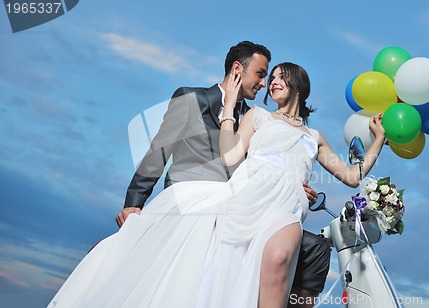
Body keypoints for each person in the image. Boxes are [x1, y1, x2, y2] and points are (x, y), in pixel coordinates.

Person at [47, 61, 385, 308]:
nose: (271, 83)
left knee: (279, 258)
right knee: (226, 269)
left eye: (279, 77)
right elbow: (229, 156)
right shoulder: (258, 117)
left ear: (298, 83)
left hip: (286, 204)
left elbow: (353, 175)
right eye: (270, 79)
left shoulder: (314, 136)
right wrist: (227, 111)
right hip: (247, 195)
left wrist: (378, 140)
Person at [115, 40, 330, 306]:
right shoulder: (193, 99)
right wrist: (133, 204)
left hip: (243, 207)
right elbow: (158, 152)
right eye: (261, 74)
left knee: (316, 248)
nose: (264, 84)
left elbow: (268, 168)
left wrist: (297, 188)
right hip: (195, 203)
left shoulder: (259, 120)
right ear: (238, 70)